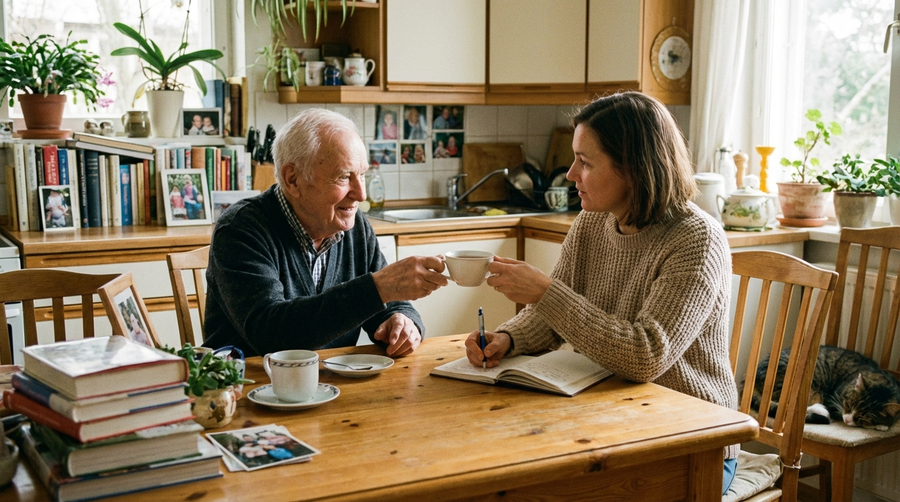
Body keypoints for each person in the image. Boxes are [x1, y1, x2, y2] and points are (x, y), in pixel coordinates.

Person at [463, 92, 739, 495]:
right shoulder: (593, 222)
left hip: (693, 440)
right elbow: (552, 314)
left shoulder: (696, 239)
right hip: (612, 417)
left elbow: (645, 356)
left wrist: (545, 291)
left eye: (586, 162)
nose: (572, 173)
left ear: (634, 169)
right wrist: (508, 338)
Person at [203, 108, 449, 357]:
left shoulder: (354, 225)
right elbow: (271, 334)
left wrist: (403, 322)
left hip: (332, 385)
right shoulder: (241, 228)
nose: (361, 194)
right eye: (344, 177)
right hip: (249, 387)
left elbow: (389, 304)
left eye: (362, 174)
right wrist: (378, 288)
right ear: (293, 180)